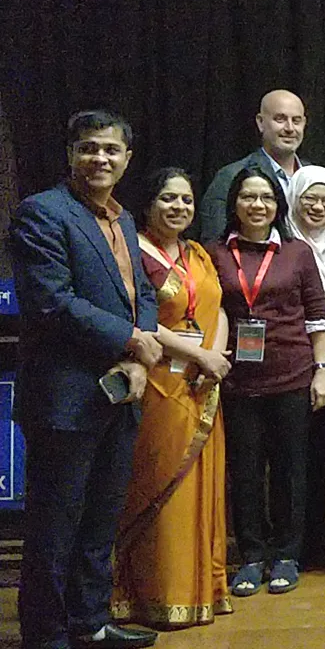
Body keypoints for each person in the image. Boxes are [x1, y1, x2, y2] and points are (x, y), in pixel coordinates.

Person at [11, 110, 162, 649]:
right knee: (55, 528)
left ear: (126, 160)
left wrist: (141, 355)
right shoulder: (41, 214)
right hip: (65, 399)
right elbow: (53, 303)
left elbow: (142, 293)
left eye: (111, 150)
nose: (100, 158)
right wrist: (131, 341)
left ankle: (89, 623)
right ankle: (46, 635)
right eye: (88, 148)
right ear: (70, 154)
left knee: (100, 520)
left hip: (121, 393)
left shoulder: (121, 219)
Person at [112, 168, 233, 631]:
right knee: (158, 485)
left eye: (186, 199)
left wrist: (214, 359)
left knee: (200, 487)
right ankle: (153, 595)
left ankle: (199, 591)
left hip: (201, 382)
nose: (179, 207)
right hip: (157, 383)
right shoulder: (133, 252)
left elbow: (218, 305)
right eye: (168, 198)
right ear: (149, 205)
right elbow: (136, 317)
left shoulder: (198, 253)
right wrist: (200, 354)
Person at [208, 166, 325, 596]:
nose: (258, 205)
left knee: (290, 471)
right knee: (243, 472)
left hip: (292, 375)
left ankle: (286, 554)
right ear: (234, 203)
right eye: (248, 197)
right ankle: (252, 556)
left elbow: (317, 313)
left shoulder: (297, 253)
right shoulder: (214, 254)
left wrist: (322, 371)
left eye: (266, 198)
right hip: (238, 381)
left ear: (278, 205)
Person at [283, 166, 325, 562]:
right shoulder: (281, 243)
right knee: (292, 450)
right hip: (290, 356)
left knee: (321, 447)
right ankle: (288, 534)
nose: (318, 207)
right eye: (309, 197)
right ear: (294, 198)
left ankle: (315, 532)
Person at [200, 90, 325, 241]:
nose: (290, 128)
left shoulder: (318, 177)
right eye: (280, 119)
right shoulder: (231, 176)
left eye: (296, 120)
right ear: (260, 122)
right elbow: (215, 240)